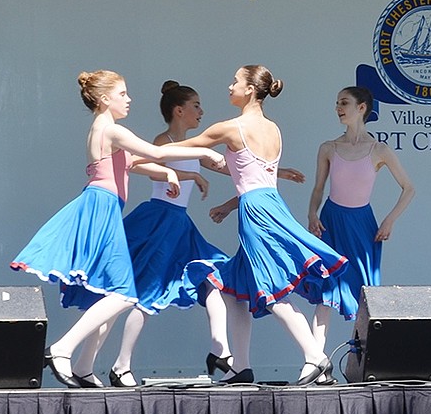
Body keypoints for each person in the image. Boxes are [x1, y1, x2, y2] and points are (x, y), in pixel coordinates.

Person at [11, 70, 222, 388]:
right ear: (103, 98)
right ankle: (62, 349)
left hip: (103, 205)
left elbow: (136, 163)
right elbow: (159, 153)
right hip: (102, 207)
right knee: (124, 294)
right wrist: (203, 152)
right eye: (122, 94)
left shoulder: (103, 130)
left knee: (111, 293)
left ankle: (83, 366)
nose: (129, 99)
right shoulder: (111, 129)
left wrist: (172, 176)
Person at [107, 81, 306, 386]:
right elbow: (136, 163)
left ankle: (221, 349)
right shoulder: (165, 141)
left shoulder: (193, 148)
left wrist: (279, 172)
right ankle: (121, 365)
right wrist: (184, 174)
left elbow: (234, 166)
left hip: (180, 225)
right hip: (160, 220)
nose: (201, 111)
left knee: (217, 278)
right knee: (148, 292)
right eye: (196, 105)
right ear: (179, 110)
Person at [173, 65, 346, 385]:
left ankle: (315, 356)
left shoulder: (230, 128)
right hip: (268, 203)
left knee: (271, 286)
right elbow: (247, 173)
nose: (230, 86)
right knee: (233, 287)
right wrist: (228, 204)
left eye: (235, 81)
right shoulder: (273, 129)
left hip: (256, 212)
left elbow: (190, 146)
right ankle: (242, 366)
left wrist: (137, 152)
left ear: (250, 89)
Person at [305, 86, 415, 359]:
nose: (338, 108)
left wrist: (389, 221)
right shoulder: (329, 148)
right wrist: (312, 214)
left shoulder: (379, 149)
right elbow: (319, 187)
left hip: (363, 226)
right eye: (337, 103)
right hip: (331, 222)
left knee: (366, 294)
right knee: (326, 291)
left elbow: (409, 188)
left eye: (344, 103)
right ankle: (315, 360)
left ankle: (367, 360)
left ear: (362, 107)